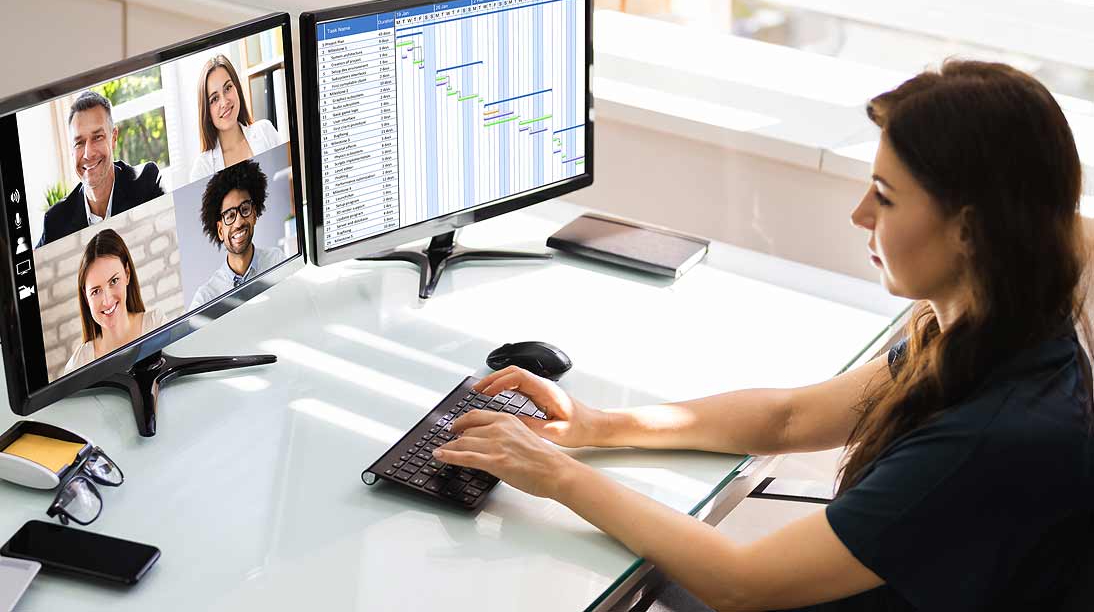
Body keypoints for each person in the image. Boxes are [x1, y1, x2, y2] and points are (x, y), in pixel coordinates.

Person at [432, 60, 1094, 611]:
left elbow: (742, 581)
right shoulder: (987, 330)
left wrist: (556, 474)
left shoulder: (995, 431)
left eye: (885, 197)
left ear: (969, 230)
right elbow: (790, 417)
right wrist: (597, 425)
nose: (860, 212)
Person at [37, 91, 164, 248]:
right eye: (79, 142)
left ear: (113, 138)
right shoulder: (56, 220)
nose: (88, 153)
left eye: (97, 137)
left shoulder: (146, 183)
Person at [63, 229, 164, 375]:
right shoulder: (80, 363)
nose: (107, 300)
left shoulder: (155, 325)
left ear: (127, 274)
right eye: (96, 291)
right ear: (86, 297)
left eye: (114, 281)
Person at [189, 159, 285, 311]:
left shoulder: (277, 261)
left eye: (245, 209)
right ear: (220, 230)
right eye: (230, 215)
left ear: (254, 213)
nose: (239, 222)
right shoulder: (206, 298)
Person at [189, 55, 281, 182]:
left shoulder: (265, 131)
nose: (224, 102)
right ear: (207, 113)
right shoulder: (202, 169)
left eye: (227, 88)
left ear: (237, 87)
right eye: (214, 99)